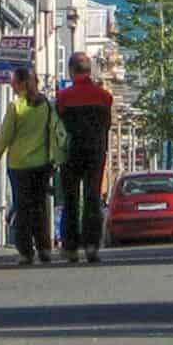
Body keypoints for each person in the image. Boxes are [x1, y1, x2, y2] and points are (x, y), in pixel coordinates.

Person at [0, 64, 64, 267]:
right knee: (39, 208)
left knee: (22, 208)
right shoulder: (46, 105)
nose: (12, 84)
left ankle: (26, 251)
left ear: (21, 84)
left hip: (18, 165)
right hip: (42, 163)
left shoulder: (16, 107)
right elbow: (55, 132)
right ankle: (44, 248)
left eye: (14, 81)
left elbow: (5, 137)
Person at [54, 50, 116, 264]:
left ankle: (70, 246)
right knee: (92, 197)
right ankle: (91, 245)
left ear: (71, 71)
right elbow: (107, 124)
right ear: (89, 71)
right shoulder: (104, 97)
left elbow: (58, 127)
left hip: (71, 152)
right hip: (95, 151)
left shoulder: (63, 97)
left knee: (70, 199)